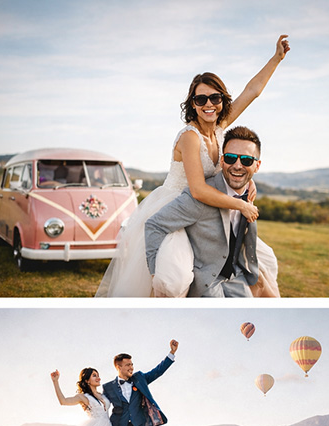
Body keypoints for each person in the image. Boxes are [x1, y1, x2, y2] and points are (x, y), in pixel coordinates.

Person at [96, 35, 289, 298]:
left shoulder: (220, 129)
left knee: (263, 260)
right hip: (178, 210)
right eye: (200, 100)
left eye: (214, 98)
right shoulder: (189, 137)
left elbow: (252, 91)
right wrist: (242, 204)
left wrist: (276, 58)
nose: (208, 104)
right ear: (193, 104)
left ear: (222, 100)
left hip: (209, 209)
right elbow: (197, 190)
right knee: (174, 278)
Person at [146, 127, 264, 297]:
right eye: (231, 158)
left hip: (235, 276)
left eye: (246, 160)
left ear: (257, 165)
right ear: (222, 161)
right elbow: (154, 224)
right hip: (206, 282)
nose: (237, 166)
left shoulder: (248, 192)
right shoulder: (199, 198)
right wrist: (156, 273)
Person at [101, 341, 178, 426]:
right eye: (127, 365)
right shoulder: (108, 387)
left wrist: (172, 353)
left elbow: (157, 371)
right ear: (118, 367)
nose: (131, 367)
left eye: (132, 364)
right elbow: (103, 405)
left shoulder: (140, 378)